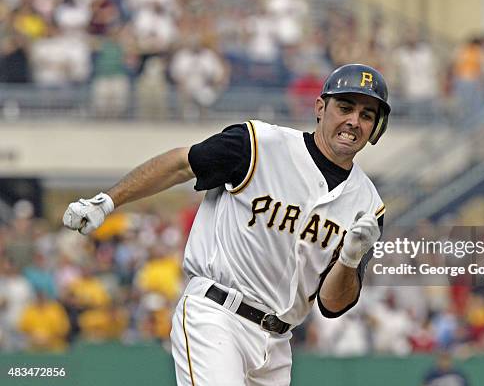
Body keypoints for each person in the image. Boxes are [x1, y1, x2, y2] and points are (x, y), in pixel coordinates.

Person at [62, 63, 389, 385]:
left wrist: (350, 258)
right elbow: (180, 165)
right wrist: (108, 201)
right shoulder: (259, 144)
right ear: (320, 107)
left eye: (366, 115)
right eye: (345, 107)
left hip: (278, 345)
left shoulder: (368, 205)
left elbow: (332, 305)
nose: (353, 121)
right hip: (218, 315)